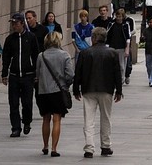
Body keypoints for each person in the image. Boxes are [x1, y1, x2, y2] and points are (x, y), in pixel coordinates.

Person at [73, 24, 125, 159]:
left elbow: (78, 72)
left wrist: (75, 88)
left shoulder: (85, 53)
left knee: (88, 120)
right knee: (106, 118)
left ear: (95, 38)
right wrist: (118, 91)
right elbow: (117, 73)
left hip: (88, 89)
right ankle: (106, 146)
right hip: (106, 89)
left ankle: (89, 148)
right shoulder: (112, 52)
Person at [2, 11, 40, 138]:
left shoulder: (31, 37)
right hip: (14, 75)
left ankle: (27, 121)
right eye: (13, 24)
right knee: (13, 103)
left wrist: (36, 72)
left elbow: (36, 56)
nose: (14, 26)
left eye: (16, 24)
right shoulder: (10, 39)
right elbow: (6, 57)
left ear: (22, 24)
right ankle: (15, 127)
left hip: (28, 74)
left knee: (27, 102)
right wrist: (4, 73)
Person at [36, 31, 74, 157]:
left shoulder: (41, 56)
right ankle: (54, 148)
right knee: (56, 119)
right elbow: (70, 75)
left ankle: (45, 145)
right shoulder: (65, 55)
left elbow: (37, 74)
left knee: (45, 119)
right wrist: (65, 85)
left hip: (43, 91)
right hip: (58, 91)